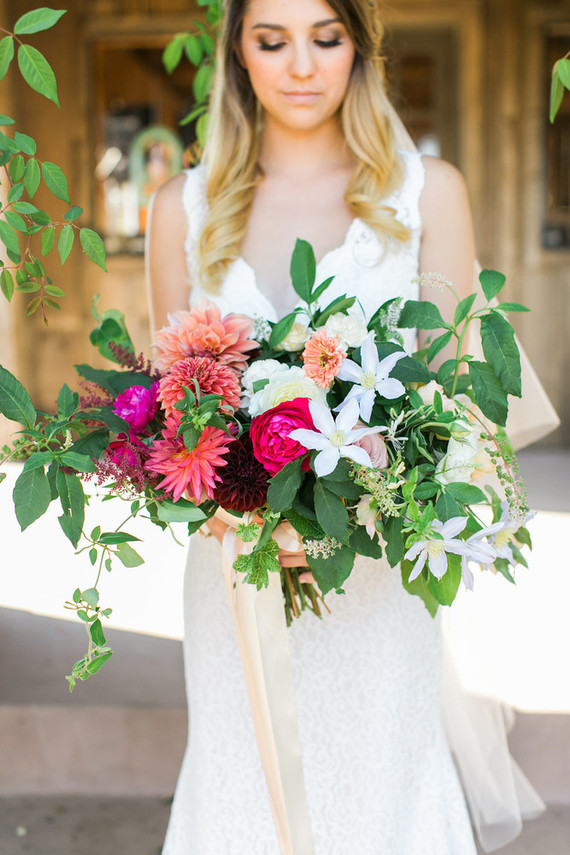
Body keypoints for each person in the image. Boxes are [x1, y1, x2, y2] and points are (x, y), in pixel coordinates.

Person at [145, 1, 500, 852]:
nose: (300, 65)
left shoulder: (426, 193)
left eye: (325, 38)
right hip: (239, 573)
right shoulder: (181, 210)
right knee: (241, 793)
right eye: (272, 41)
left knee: (382, 789)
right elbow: (175, 422)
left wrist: (370, 492)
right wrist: (242, 508)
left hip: (377, 581)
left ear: (359, 47)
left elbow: (461, 408)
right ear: (237, 51)